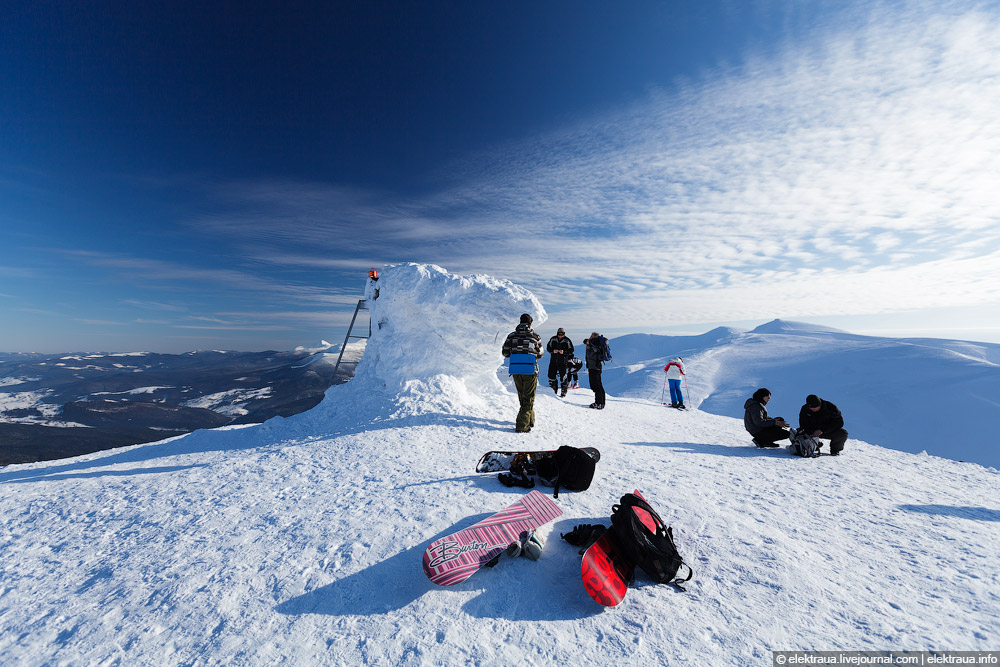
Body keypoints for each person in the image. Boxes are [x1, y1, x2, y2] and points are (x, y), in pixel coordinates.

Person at [501, 313, 544, 433]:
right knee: (529, 397)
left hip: (516, 369)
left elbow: (505, 353)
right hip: (530, 370)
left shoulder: (511, 336)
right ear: (530, 323)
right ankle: (522, 425)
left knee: (522, 395)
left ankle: (530, 419)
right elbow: (540, 354)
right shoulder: (535, 336)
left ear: (520, 322)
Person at [545, 328, 574, 397]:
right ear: (557, 333)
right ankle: (553, 391)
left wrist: (564, 352)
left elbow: (571, 350)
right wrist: (552, 350)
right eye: (559, 334)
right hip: (553, 361)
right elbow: (548, 347)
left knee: (563, 376)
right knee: (551, 375)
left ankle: (563, 392)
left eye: (562, 334)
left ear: (564, 334)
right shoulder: (553, 339)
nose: (560, 336)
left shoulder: (567, 340)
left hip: (563, 361)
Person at [584, 332, 607, 409]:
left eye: (591, 336)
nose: (590, 337)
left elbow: (592, 353)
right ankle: (601, 403)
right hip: (594, 367)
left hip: (595, 367)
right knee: (597, 385)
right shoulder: (594, 343)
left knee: (596, 386)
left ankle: (599, 403)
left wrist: (589, 344)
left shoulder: (595, 344)